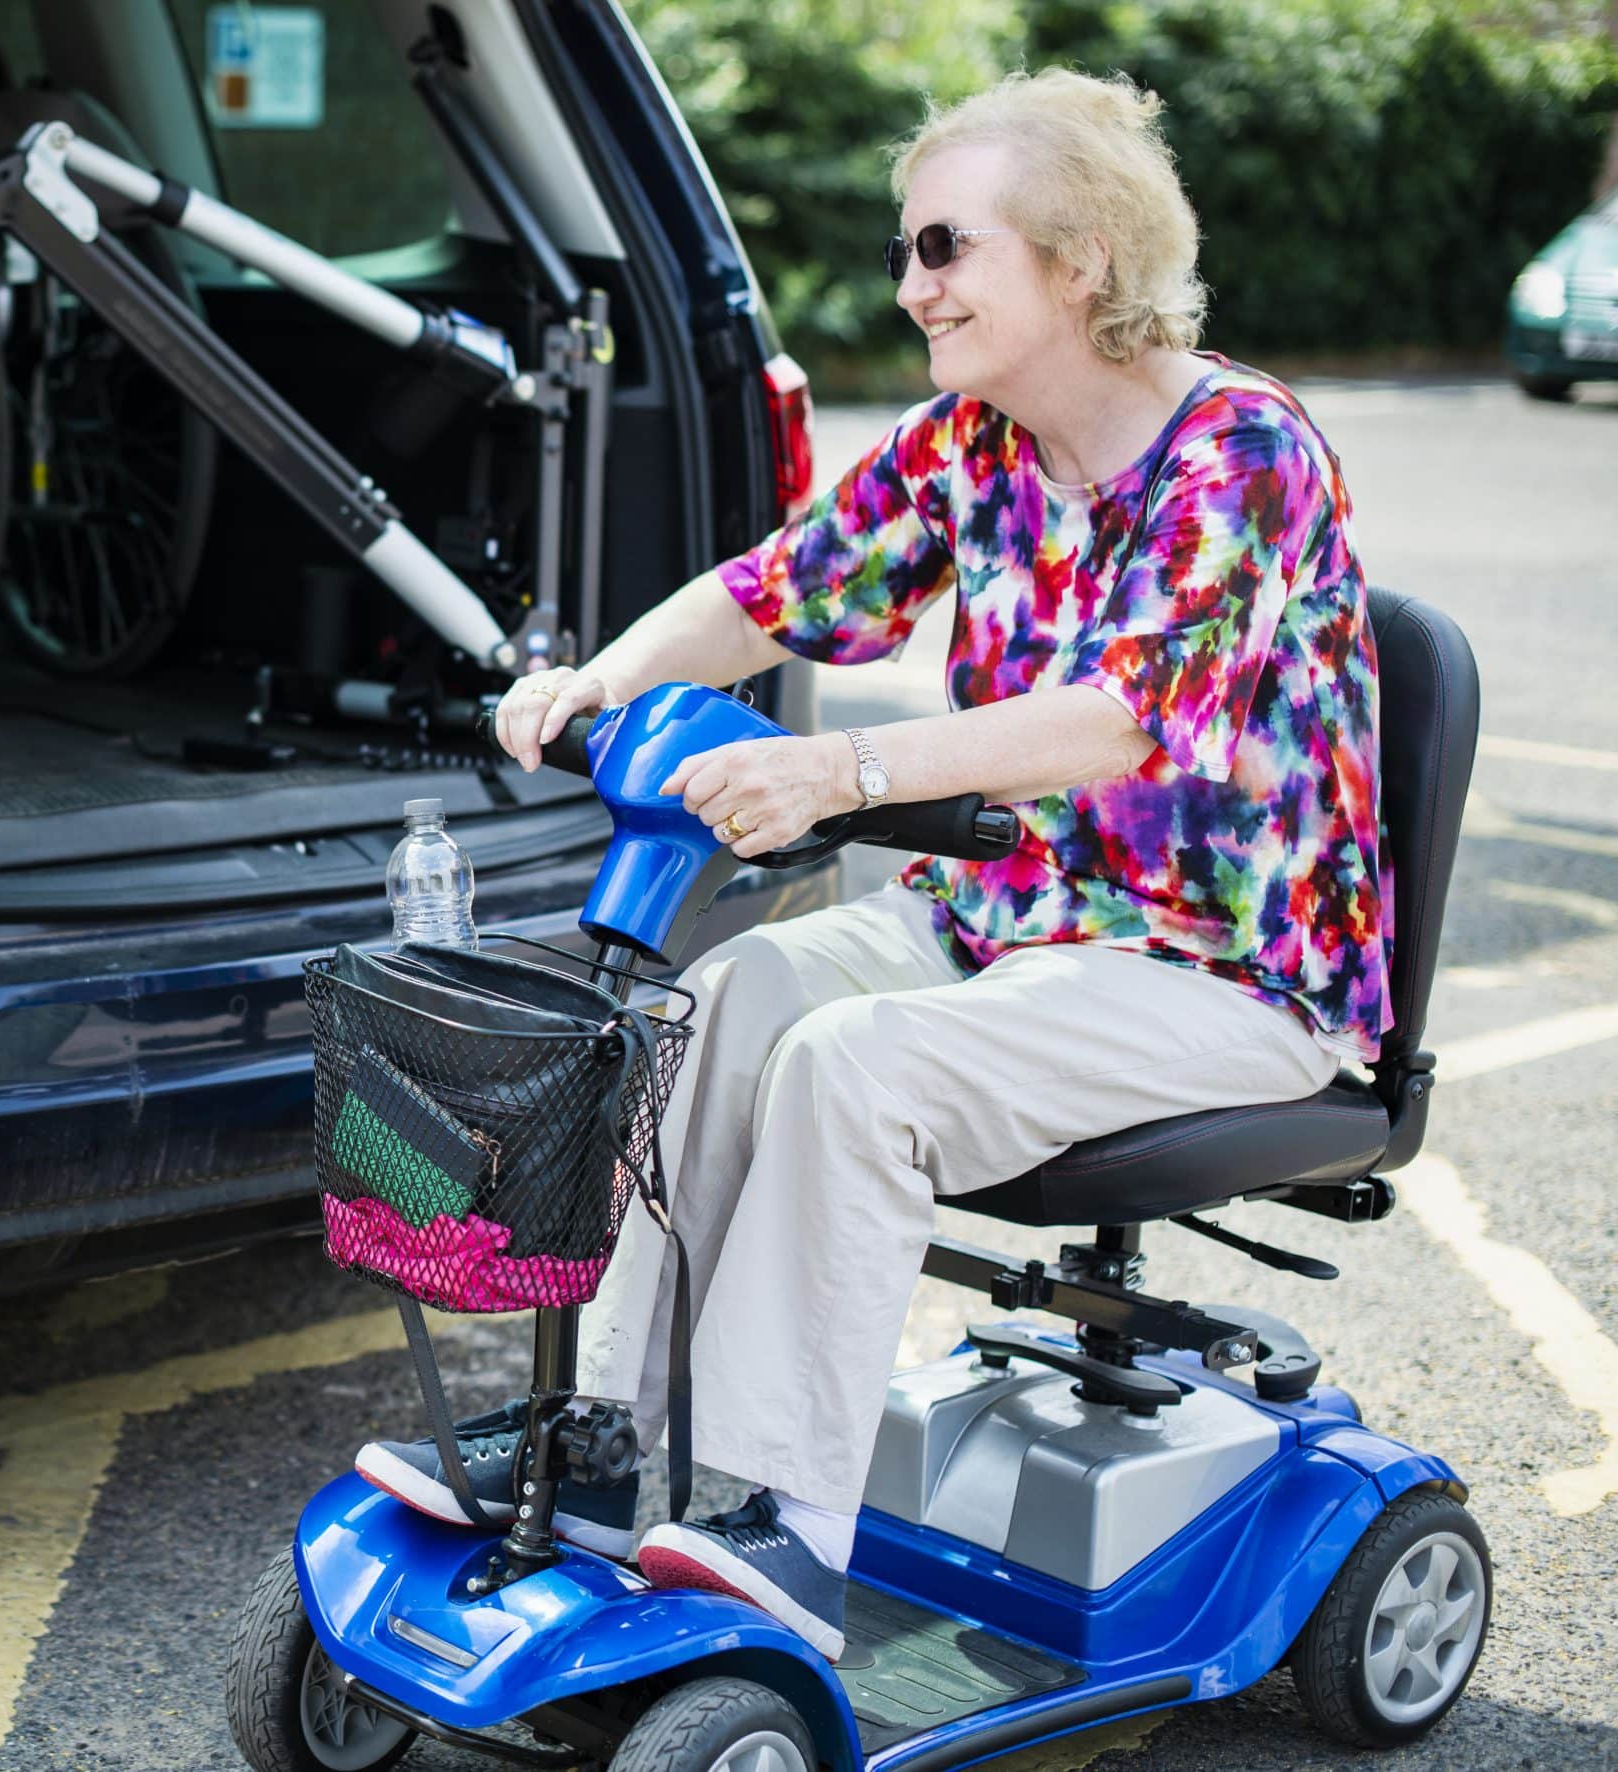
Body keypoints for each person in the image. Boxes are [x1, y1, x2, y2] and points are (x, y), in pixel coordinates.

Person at [349, 67, 1386, 1659]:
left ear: (1082, 259)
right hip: (1006, 923)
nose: (912, 286)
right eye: (914, 253)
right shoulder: (970, 439)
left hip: (1222, 970)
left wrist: (841, 769)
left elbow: (1120, 721)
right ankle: (609, 1450)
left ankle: (779, 1519)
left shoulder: (1241, 452)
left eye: (944, 249)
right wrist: (600, 682)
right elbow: (772, 592)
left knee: (852, 1067)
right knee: (730, 995)